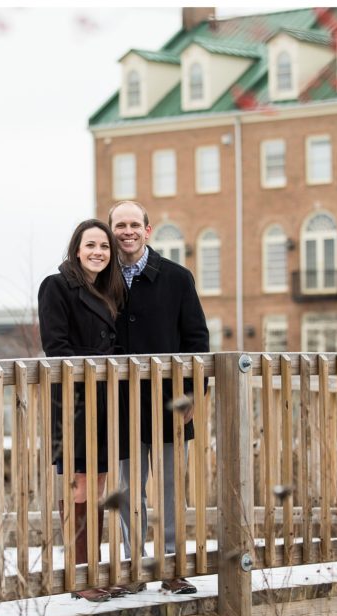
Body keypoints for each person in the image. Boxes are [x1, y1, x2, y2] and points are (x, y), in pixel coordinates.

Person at [109, 200, 209, 595]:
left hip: (170, 406)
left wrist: (190, 396)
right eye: (120, 225)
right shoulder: (101, 279)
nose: (127, 231)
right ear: (112, 229)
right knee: (128, 491)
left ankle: (171, 567)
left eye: (135, 224)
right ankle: (134, 567)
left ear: (148, 230)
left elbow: (197, 341)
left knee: (170, 491)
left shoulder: (177, 278)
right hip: (119, 407)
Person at [37, 218, 128, 602]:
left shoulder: (108, 289)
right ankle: (81, 576)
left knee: (101, 483)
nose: (98, 252)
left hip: (107, 398)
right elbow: (55, 347)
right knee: (80, 484)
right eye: (91, 245)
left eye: (105, 247)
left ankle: (93, 569)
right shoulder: (57, 285)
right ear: (77, 249)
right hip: (74, 399)